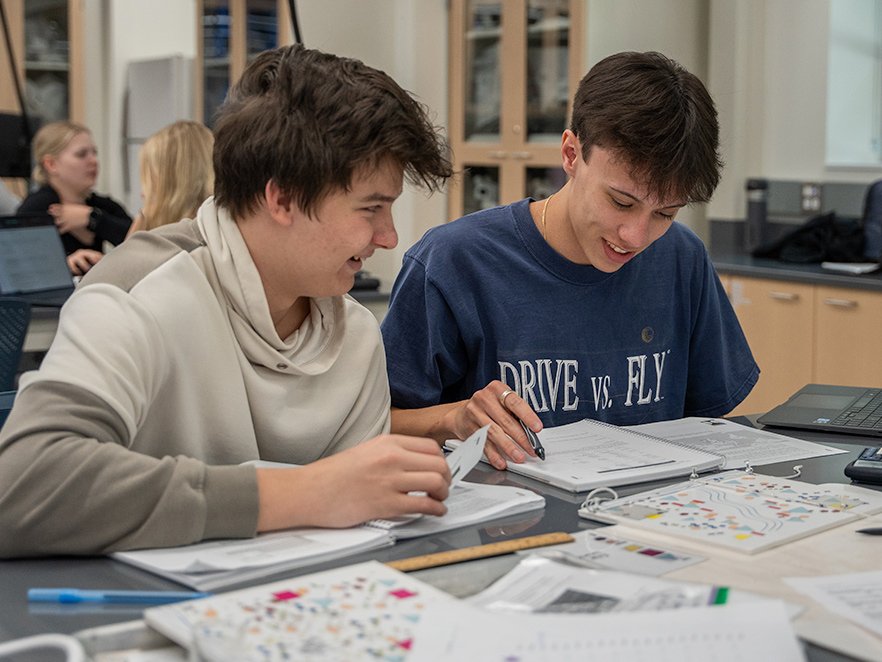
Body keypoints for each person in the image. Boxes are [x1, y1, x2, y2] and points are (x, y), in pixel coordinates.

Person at [0, 44, 453, 557]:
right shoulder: (139, 290)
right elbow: (21, 485)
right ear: (280, 198)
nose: (390, 238)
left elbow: (368, 522)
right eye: (370, 208)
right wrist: (305, 494)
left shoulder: (355, 334)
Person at [381, 51, 759, 470]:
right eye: (621, 201)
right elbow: (375, 424)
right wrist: (452, 419)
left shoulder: (681, 259)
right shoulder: (454, 262)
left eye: (665, 213)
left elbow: (709, 424)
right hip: (510, 524)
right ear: (571, 154)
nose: (635, 237)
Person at [17, 121, 132, 276]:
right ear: (51, 164)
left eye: (94, 153)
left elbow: (139, 244)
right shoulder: (35, 209)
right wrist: (64, 265)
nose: (94, 161)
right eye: (81, 154)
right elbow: (20, 266)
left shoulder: (101, 205)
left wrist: (93, 219)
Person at [126, 120, 214, 237]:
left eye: (150, 182)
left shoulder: (166, 245)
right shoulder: (218, 231)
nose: (143, 194)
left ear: (172, 186)